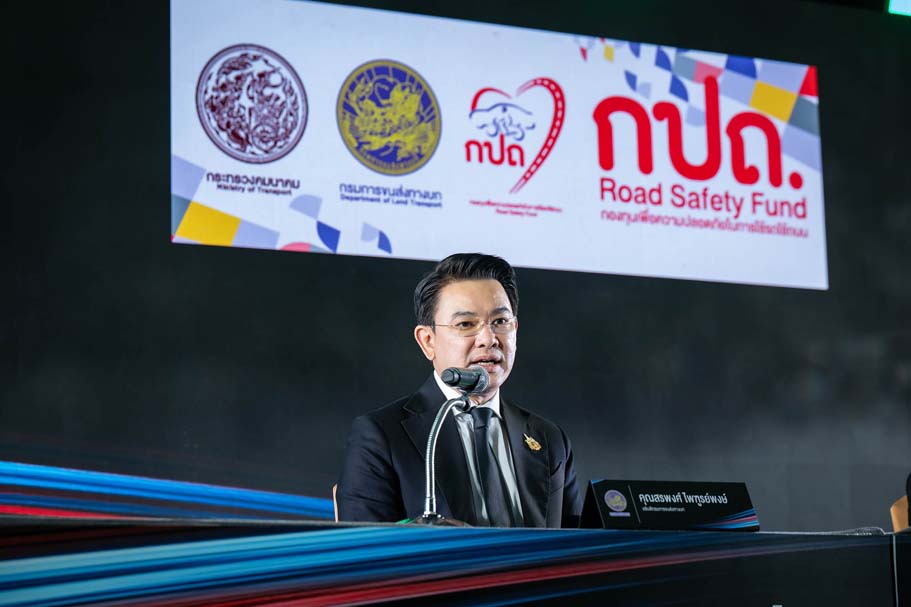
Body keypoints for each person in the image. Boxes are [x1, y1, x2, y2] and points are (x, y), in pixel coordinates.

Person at [336, 253, 582, 527]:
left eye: (500, 322)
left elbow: (579, 544)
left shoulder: (548, 438)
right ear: (428, 341)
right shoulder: (381, 436)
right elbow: (367, 547)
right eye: (466, 324)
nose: (489, 339)